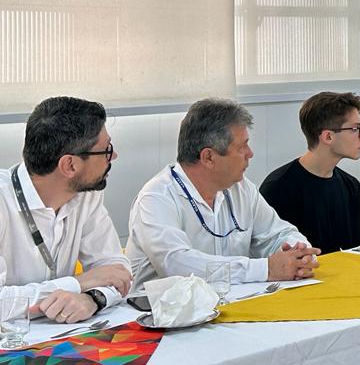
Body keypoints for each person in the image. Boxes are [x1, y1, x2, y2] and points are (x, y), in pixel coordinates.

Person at [127, 98, 320, 286]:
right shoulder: (157, 197)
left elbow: (278, 233)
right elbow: (177, 265)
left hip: (233, 301)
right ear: (209, 157)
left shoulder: (241, 188)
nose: (250, 153)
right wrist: (265, 269)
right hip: (160, 306)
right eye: (242, 147)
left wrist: (298, 253)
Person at [0, 97, 131, 323]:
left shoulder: (85, 194)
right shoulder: (3, 201)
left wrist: (93, 298)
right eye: (106, 150)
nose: (114, 156)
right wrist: (79, 283)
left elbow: (117, 272)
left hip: (58, 335)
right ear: (70, 165)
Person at [259, 92, 360, 254]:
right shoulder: (278, 188)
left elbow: (359, 252)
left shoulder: (351, 185)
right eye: (356, 129)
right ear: (328, 136)